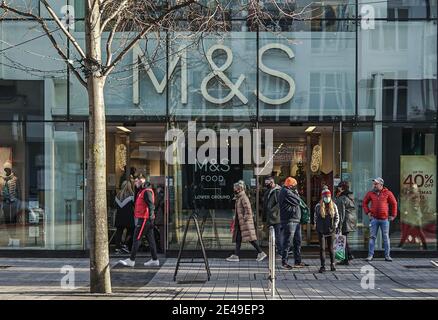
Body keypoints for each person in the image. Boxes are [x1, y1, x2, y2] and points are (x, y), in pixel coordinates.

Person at [119, 176, 159, 267]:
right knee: (151, 240)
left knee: (136, 238)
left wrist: (151, 217)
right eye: (135, 182)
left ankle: (131, 260)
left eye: (137, 182)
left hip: (144, 219)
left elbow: (151, 205)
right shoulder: (142, 191)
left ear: (142, 182)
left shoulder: (146, 191)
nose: (136, 183)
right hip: (145, 218)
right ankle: (155, 259)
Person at [226, 181, 267, 262]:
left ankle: (261, 252)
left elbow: (248, 210)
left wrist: (244, 219)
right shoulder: (239, 197)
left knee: (251, 239)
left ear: (239, 189)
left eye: (235, 188)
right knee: (238, 239)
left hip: (244, 223)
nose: (234, 189)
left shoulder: (243, 197)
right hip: (240, 223)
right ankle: (236, 255)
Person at [362, 177, 398, 262]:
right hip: (374, 219)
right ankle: (370, 256)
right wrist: (368, 212)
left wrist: (393, 215)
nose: (374, 185)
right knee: (372, 237)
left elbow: (394, 203)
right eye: (374, 184)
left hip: (385, 219)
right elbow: (364, 202)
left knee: (385, 237)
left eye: (376, 184)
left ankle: (387, 256)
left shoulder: (388, 193)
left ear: (381, 184)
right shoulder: (370, 193)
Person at [314, 188, 339, 273]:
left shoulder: (334, 205)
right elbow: (315, 217)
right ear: (322, 197)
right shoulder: (318, 206)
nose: (327, 198)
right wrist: (316, 225)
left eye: (328, 196)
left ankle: (332, 264)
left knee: (331, 248)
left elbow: (337, 217)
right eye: (325, 196)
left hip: (331, 230)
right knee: (322, 248)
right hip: (321, 229)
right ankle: (323, 265)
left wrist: (335, 226)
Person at [278, 177, 302, 269]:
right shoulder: (286, 192)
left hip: (295, 219)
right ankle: (284, 262)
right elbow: (297, 201)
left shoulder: (287, 191)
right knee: (287, 242)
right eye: (294, 186)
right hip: (289, 220)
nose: (295, 187)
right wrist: (296, 194)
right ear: (291, 185)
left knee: (297, 241)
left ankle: (298, 261)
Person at [335, 181, 357, 265]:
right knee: (345, 239)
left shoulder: (342, 198)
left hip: (345, 221)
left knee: (342, 239)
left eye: (339, 187)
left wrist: (338, 225)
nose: (338, 188)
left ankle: (345, 259)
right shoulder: (349, 196)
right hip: (350, 221)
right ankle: (349, 255)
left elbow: (341, 213)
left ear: (342, 188)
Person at [0, 160, 20, 246]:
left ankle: (14, 238)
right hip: (5, 203)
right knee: (7, 221)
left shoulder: (15, 179)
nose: (6, 171)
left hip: (14, 203)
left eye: (7, 169)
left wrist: (19, 204)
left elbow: (18, 192)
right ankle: (10, 238)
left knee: (14, 220)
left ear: (10, 169)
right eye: (5, 169)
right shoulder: (2, 180)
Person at [113, 180, 135, 254]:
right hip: (129, 217)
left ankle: (117, 248)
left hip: (119, 216)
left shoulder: (117, 195)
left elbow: (115, 206)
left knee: (119, 231)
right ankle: (125, 245)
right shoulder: (132, 196)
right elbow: (135, 206)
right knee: (131, 231)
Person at [263, 176, 281, 255]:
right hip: (270, 217)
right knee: (272, 235)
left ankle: (281, 251)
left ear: (272, 182)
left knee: (278, 235)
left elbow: (279, 204)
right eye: (265, 183)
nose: (266, 185)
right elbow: (265, 205)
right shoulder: (268, 191)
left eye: (267, 183)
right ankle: (276, 249)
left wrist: (271, 211)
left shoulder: (278, 191)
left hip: (276, 217)